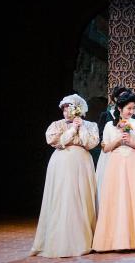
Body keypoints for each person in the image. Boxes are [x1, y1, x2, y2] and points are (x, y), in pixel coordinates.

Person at [30, 94, 99, 257]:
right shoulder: (57, 125)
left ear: (78, 109)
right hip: (61, 164)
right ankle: (59, 240)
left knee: (82, 198)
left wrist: (81, 127)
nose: (65, 111)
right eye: (64, 108)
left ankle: (84, 239)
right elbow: (57, 142)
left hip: (82, 164)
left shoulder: (90, 125)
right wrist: (72, 130)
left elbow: (89, 143)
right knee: (63, 198)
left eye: (69, 107)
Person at [92, 91, 135, 251]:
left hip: (132, 163)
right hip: (116, 164)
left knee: (132, 198)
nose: (131, 111)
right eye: (128, 108)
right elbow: (105, 148)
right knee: (116, 199)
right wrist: (118, 140)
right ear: (119, 108)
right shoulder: (110, 126)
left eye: (133, 108)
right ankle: (113, 241)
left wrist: (131, 143)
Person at [95, 85, 132, 211]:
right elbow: (100, 137)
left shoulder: (132, 118)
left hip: (126, 154)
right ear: (115, 99)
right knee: (108, 185)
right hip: (109, 154)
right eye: (122, 97)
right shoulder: (106, 115)